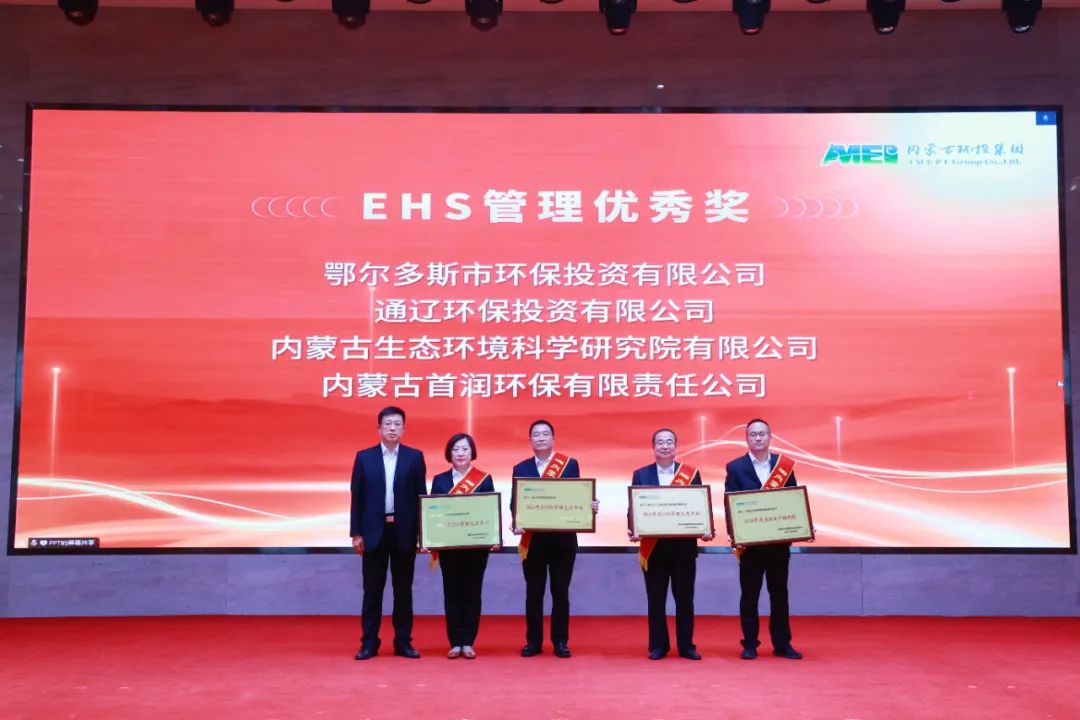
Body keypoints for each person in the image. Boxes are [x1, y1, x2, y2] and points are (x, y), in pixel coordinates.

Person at [511, 419, 596, 659]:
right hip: (533, 541)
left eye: (545, 434)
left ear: (553, 439)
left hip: (563, 541)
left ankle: (560, 641)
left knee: (560, 592)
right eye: (536, 434)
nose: (541, 438)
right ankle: (533, 641)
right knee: (534, 593)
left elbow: (577, 496)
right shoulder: (521, 468)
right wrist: (516, 519)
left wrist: (589, 506)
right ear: (530, 440)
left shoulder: (569, 465)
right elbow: (515, 502)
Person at [350, 406, 428, 660]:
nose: (392, 428)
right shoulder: (364, 457)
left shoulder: (415, 457)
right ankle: (369, 643)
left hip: (404, 532)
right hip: (373, 533)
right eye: (388, 424)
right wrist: (356, 533)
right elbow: (357, 497)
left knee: (403, 591)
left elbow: (421, 497)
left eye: (397, 424)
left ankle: (403, 642)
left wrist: (423, 534)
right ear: (379, 428)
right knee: (372, 591)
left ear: (404, 428)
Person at [629, 429, 714, 660]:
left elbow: (700, 506)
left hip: (683, 549)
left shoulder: (691, 474)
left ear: (676, 447)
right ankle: (658, 645)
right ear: (653, 447)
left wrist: (706, 528)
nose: (664, 446)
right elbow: (633, 508)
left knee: (684, 599)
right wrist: (633, 527)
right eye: (660, 442)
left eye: (669, 442)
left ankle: (686, 646)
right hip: (654, 549)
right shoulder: (641, 474)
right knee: (656, 600)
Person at [724, 418, 803, 660]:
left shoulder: (783, 466)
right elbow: (729, 503)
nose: (758, 438)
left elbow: (793, 501)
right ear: (746, 439)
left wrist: (800, 527)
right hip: (750, 545)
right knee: (750, 595)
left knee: (779, 594)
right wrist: (735, 535)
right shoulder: (735, 467)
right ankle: (749, 643)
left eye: (762, 434)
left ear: (770, 437)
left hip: (778, 544)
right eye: (753, 434)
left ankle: (782, 644)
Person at [430, 433, 499, 660]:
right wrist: (429, 537)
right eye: (456, 449)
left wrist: (494, 536)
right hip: (449, 547)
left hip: (476, 547)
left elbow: (490, 511)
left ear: (472, 453)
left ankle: (468, 641)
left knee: (472, 591)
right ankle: (454, 642)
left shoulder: (484, 479)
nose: (460, 453)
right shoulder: (439, 480)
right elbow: (432, 513)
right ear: (449, 453)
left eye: (465, 449)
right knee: (451, 592)